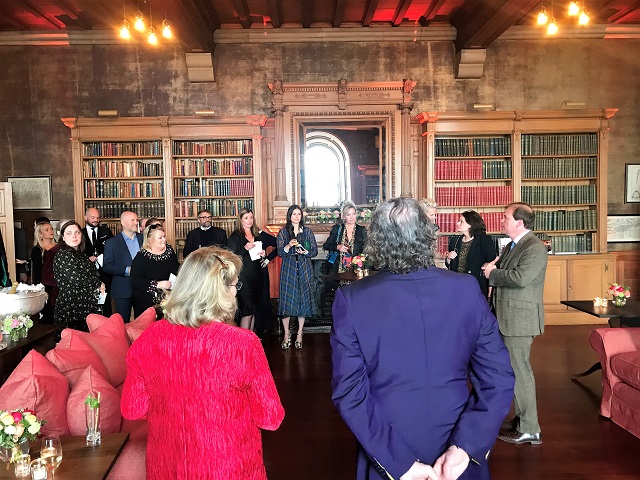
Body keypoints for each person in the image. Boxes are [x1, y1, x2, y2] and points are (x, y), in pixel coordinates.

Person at [331, 197, 515, 480]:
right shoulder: (466, 290)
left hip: (387, 447)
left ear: (377, 241)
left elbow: (350, 392)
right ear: (428, 235)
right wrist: (465, 447)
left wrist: (400, 464)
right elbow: (498, 376)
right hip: (457, 448)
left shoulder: (352, 299)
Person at [121, 246, 284, 479]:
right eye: (233, 285)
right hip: (228, 466)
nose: (236, 292)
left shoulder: (147, 340)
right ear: (219, 291)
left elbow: (133, 409)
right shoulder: (242, 344)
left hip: (168, 466)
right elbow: (270, 417)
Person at [482, 202, 548, 445]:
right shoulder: (513, 245)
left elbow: (520, 279)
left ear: (519, 222)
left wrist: (492, 274)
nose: (502, 220)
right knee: (514, 371)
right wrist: (494, 269)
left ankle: (530, 429)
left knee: (520, 372)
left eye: (506, 217)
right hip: (507, 318)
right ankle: (522, 420)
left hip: (519, 321)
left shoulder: (534, 247)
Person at [227, 208, 277, 331]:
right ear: (241, 220)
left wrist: (265, 255)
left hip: (258, 276)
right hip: (244, 279)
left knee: (254, 310)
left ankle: (251, 340)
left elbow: (268, 250)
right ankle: (243, 343)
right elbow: (230, 258)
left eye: (251, 217)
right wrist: (245, 248)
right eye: (246, 218)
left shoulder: (257, 234)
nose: (249, 220)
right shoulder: (235, 237)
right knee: (247, 312)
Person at [276, 204, 319, 350]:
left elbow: (314, 252)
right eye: (294, 214)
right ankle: (287, 334)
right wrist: (288, 246)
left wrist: (305, 252)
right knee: (287, 301)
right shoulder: (283, 232)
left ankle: (300, 333)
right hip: (289, 269)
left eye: (299, 214)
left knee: (303, 301)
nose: (296, 216)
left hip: (304, 268)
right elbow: (280, 253)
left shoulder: (307, 232)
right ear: (289, 216)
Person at [53, 221, 104, 331]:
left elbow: (93, 274)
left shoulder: (80, 254)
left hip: (86, 308)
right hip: (71, 309)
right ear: (63, 237)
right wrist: (98, 283)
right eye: (69, 233)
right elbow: (77, 279)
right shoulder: (63, 254)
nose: (74, 236)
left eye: (77, 232)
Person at [445, 210, 497, 299]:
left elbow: (492, 262)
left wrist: (490, 287)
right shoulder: (455, 240)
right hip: (457, 285)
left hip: (477, 285)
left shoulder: (484, 240)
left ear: (471, 225)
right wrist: (448, 259)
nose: (457, 223)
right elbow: (449, 265)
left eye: (461, 221)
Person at [130, 224, 179, 317]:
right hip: (146, 301)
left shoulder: (169, 251)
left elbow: (176, 269)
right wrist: (157, 284)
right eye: (160, 238)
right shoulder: (142, 256)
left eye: (164, 236)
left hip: (167, 297)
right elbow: (135, 279)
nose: (164, 240)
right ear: (150, 240)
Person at [102, 211, 143, 322]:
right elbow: (107, 266)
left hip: (142, 289)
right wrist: (127, 270)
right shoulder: (112, 243)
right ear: (123, 223)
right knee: (122, 325)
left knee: (143, 323)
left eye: (137, 220)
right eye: (132, 220)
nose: (136, 222)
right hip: (122, 290)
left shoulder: (143, 239)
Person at [82, 207, 114, 315]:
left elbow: (112, 249)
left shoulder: (106, 231)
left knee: (107, 302)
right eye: (92, 217)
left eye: (97, 217)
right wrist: (87, 259)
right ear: (85, 218)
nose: (96, 219)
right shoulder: (80, 234)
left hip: (104, 271)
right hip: (87, 273)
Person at [323, 200, 367, 276]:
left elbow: (366, 248)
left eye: (353, 214)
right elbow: (326, 245)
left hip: (356, 269)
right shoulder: (337, 229)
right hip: (337, 269)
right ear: (343, 216)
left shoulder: (362, 230)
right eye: (348, 215)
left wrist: (360, 259)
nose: (351, 217)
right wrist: (337, 246)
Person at [31, 221, 58, 322]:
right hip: (45, 286)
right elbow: (37, 272)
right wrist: (39, 289)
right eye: (47, 230)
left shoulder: (58, 248)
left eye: (51, 229)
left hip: (58, 284)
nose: (51, 231)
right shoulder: (38, 250)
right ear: (41, 234)